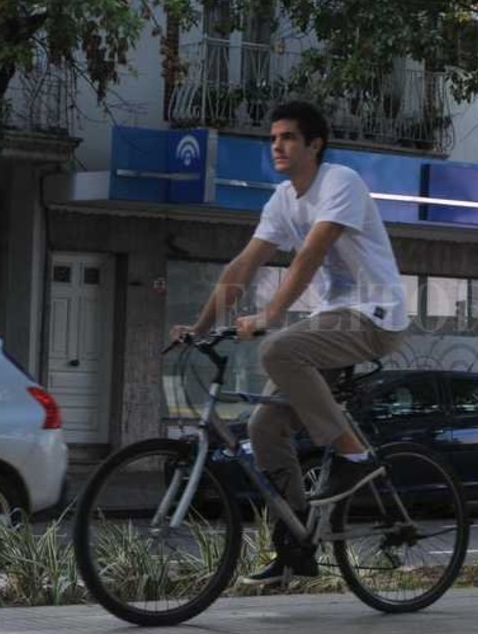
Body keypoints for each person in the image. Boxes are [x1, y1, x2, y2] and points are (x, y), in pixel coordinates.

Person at [170, 101, 408, 585]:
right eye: (273, 138)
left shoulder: (339, 182)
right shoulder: (282, 198)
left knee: (278, 349)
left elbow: (312, 254)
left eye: (288, 138)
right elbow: (244, 265)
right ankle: (296, 548)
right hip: (334, 321)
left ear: (314, 145)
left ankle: (353, 456)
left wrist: (270, 317)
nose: (277, 145)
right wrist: (198, 328)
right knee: (263, 429)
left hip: (377, 316)